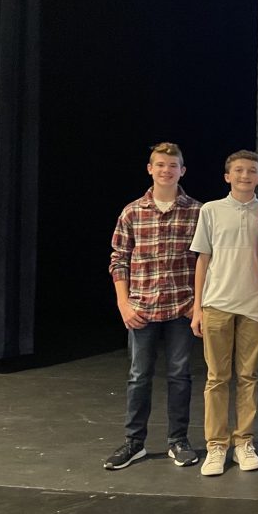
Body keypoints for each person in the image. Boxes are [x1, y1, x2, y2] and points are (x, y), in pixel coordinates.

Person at [104, 142, 202, 470]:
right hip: (141, 308)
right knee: (138, 376)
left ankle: (178, 441)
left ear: (182, 171)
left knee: (180, 376)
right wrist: (123, 303)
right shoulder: (132, 211)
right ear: (150, 169)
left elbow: (207, 261)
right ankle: (134, 443)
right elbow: (119, 259)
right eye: (160, 165)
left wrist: (197, 304)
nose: (166, 170)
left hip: (180, 307)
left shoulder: (197, 211)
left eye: (173, 165)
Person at [190, 150, 258, 476]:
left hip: (254, 306)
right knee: (216, 378)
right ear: (227, 176)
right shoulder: (210, 211)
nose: (245, 176)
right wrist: (197, 307)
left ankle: (244, 442)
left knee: (248, 377)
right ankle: (217, 445)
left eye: (251, 171)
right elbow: (203, 260)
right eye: (238, 170)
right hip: (217, 305)